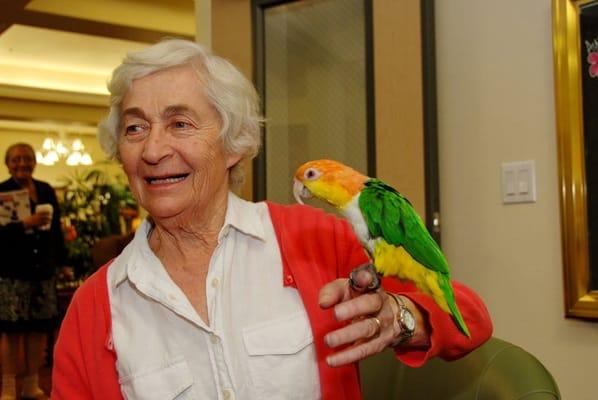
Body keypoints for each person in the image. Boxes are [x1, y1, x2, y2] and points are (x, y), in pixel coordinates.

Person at [52, 39, 492, 399]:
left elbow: (468, 316)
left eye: (180, 123)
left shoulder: (315, 240)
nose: (152, 150)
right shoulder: (95, 305)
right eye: (134, 128)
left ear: (233, 144)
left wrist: (401, 316)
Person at [0, 143, 66, 400]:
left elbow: (56, 229)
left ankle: (31, 384)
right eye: (16, 159)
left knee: (39, 328)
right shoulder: (2, 191)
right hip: (11, 272)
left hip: (43, 270)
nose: (22, 163)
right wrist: (23, 224)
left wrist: (61, 261)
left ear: (35, 162)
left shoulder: (46, 190)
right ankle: (7, 387)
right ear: (7, 164)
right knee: (11, 330)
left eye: (27, 158)